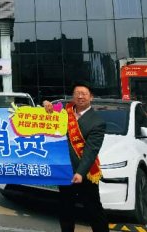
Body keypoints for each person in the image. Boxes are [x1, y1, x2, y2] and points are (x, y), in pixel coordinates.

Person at [43, 82, 108, 232]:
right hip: (65, 170)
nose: (80, 96)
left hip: (85, 173)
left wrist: (80, 173)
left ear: (91, 97)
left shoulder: (97, 122)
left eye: (84, 94)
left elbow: (91, 151)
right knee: (65, 209)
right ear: (72, 96)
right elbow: (45, 116)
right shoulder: (64, 113)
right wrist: (45, 104)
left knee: (94, 210)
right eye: (77, 93)